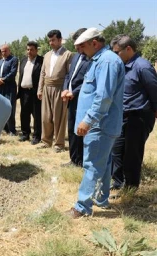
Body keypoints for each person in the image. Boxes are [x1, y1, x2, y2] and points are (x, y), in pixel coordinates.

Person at [66, 28, 125, 218]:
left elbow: (103, 97)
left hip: (99, 124)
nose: (80, 51)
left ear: (94, 43)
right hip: (99, 124)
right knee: (104, 162)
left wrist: (88, 120)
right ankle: (101, 198)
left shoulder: (107, 61)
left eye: (82, 46)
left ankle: (82, 207)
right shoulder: (98, 60)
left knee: (92, 164)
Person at [110, 35, 157, 190]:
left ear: (128, 49)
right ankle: (118, 182)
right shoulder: (122, 66)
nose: (115, 55)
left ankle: (130, 187)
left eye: (117, 52)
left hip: (138, 117)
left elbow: (154, 91)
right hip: (122, 116)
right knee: (117, 150)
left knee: (132, 154)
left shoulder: (142, 67)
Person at [37, 30, 73, 153]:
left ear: (60, 40)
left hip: (59, 88)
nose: (51, 43)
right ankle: (46, 141)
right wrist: (40, 89)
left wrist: (66, 90)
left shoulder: (67, 54)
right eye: (50, 40)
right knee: (46, 117)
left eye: (53, 40)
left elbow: (69, 74)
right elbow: (42, 73)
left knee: (59, 118)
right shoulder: (47, 55)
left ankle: (59, 144)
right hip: (47, 88)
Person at [61, 28, 91, 167]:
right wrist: (65, 89)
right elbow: (68, 75)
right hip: (71, 100)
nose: (77, 48)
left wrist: (75, 92)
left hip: (82, 100)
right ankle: (74, 159)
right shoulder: (76, 57)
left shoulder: (91, 59)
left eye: (79, 45)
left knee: (81, 130)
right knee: (72, 129)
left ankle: (82, 160)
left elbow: (87, 81)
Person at [17, 41, 44, 144]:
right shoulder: (23, 61)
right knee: (24, 114)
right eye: (28, 49)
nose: (29, 52)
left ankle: (37, 136)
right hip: (24, 92)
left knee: (37, 115)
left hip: (35, 92)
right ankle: (25, 134)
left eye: (32, 50)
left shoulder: (41, 61)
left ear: (36, 50)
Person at [0, 44, 19, 135]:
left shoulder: (14, 60)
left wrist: (3, 80)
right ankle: (5, 128)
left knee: (10, 108)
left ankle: (12, 129)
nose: (3, 53)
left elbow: (13, 73)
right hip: (0, 87)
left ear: (9, 51)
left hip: (10, 87)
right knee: (2, 107)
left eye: (5, 51)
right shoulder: (1, 61)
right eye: (2, 51)